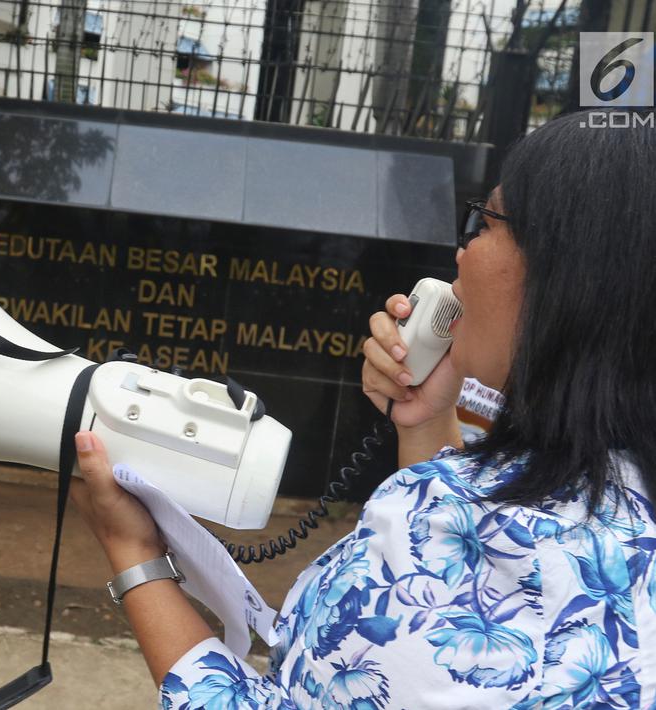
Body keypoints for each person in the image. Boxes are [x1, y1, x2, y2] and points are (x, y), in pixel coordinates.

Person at [69, 111, 655, 707]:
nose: (462, 253)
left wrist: (135, 555)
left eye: (486, 222)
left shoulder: (473, 523)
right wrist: (426, 423)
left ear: (570, 274)